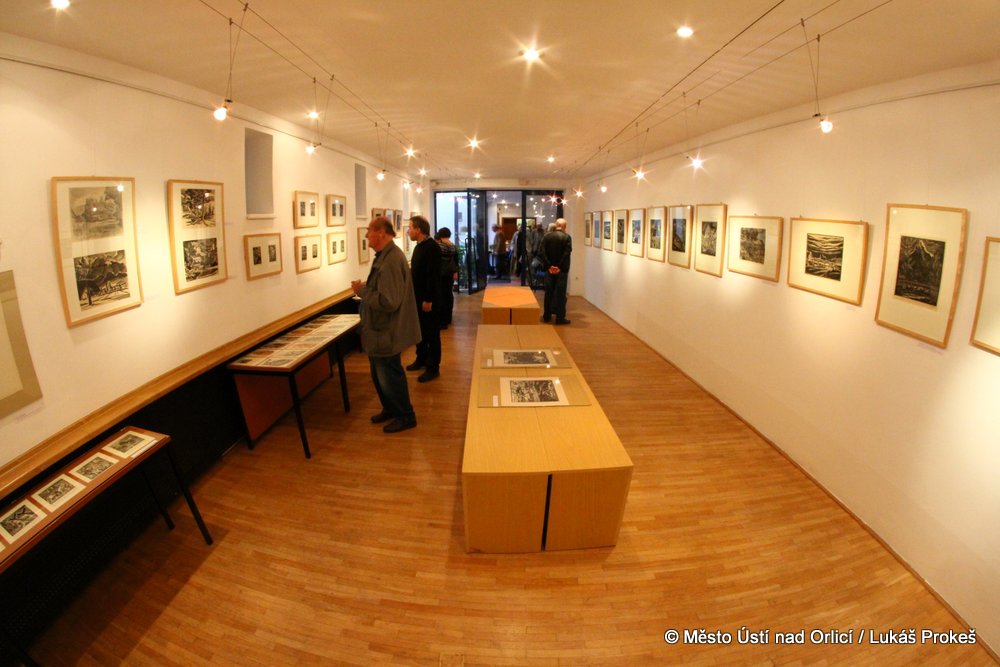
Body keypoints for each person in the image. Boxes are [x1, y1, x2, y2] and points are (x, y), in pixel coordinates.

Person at [351, 216, 421, 433]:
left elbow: (388, 301)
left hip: (386, 331)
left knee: (389, 374)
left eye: (369, 231)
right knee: (380, 373)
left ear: (381, 232)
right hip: (380, 330)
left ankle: (405, 416)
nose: (366, 236)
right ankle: (391, 409)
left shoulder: (390, 260)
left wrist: (362, 291)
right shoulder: (386, 256)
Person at [405, 215, 442, 382]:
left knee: (431, 334)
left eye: (410, 228)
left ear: (418, 229)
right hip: (418, 298)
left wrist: (428, 299)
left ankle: (433, 367)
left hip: (428, 300)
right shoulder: (419, 247)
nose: (408, 231)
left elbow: (433, 276)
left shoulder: (432, 247)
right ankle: (421, 358)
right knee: (419, 332)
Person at [539, 218, 572, 325]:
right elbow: (566, 254)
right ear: (565, 226)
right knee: (561, 294)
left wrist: (550, 266)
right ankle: (560, 317)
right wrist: (558, 267)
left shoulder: (547, 236)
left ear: (556, 225)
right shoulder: (567, 237)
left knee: (548, 292)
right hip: (561, 271)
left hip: (549, 270)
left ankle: (547, 316)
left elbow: (542, 253)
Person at [435, 227, 458, 329]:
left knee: (441, 296)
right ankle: (448, 318)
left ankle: (442, 321)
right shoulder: (453, 246)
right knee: (449, 294)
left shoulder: (439, 246)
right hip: (450, 273)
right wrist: (455, 272)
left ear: (440, 235)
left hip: (441, 274)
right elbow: (456, 261)